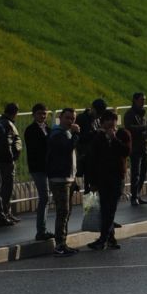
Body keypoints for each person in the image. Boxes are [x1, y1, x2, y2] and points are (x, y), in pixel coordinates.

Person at [84, 109, 131, 252]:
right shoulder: (98, 137)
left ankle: (103, 239)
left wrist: (114, 139)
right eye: (107, 120)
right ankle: (110, 238)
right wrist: (91, 182)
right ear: (102, 122)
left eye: (113, 119)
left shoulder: (123, 134)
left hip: (117, 177)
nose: (110, 122)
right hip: (102, 178)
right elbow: (92, 160)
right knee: (105, 209)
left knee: (110, 209)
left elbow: (126, 152)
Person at [45, 109, 80, 256]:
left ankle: (63, 242)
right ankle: (59, 244)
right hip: (59, 179)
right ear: (60, 118)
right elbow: (66, 149)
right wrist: (76, 134)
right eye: (67, 118)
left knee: (67, 211)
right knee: (63, 211)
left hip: (68, 177)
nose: (70, 121)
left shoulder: (66, 133)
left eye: (72, 118)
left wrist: (74, 178)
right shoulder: (57, 133)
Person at [24, 103, 51, 241]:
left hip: (48, 167)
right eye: (40, 113)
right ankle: (41, 230)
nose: (42, 116)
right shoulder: (31, 130)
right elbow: (37, 148)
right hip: (38, 168)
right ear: (33, 114)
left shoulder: (47, 128)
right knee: (44, 197)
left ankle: (43, 229)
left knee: (47, 198)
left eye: (44, 114)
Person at [123, 91, 147, 207]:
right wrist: (143, 128)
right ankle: (134, 196)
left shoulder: (142, 113)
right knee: (136, 173)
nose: (144, 102)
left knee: (144, 172)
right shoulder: (130, 114)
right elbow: (129, 128)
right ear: (135, 100)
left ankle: (138, 194)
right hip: (135, 147)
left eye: (144, 100)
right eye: (141, 100)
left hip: (144, 146)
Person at [0, 103, 21, 222]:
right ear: (15, 113)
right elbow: (8, 143)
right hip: (6, 160)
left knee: (3, 187)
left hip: (0, 159)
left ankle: (5, 212)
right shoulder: (7, 124)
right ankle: (6, 212)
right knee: (7, 187)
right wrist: (12, 157)